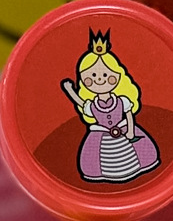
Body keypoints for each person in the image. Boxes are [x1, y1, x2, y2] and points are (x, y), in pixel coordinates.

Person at [63, 30, 160, 183]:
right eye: (92, 76)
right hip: (101, 136)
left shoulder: (122, 100)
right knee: (98, 160)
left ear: (117, 76)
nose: (99, 80)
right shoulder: (93, 105)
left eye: (105, 75)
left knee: (137, 155)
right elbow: (81, 102)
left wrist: (130, 130)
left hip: (124, 132)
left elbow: (129, 115)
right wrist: (69, 90)